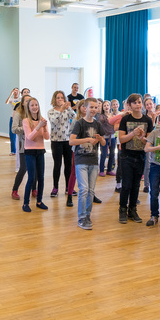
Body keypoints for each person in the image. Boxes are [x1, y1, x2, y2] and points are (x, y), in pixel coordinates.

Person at [70, 97, 106, 229]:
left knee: (91, 190)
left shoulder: (98, 124)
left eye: (96, 107)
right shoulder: (79, 123)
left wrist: (100, 139)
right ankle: (81, 217)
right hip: (81, 160)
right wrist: (87, 139)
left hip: (93, 161)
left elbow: (103, 143)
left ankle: (87, 215)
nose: (94, 109)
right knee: (84, 189)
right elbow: (71, 141)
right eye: (91, 107)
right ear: (85, 108)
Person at [118, 93, 154, 224]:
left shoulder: (147, 120)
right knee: (126, 185)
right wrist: (132, 133)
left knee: (136, 185)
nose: (138, 105)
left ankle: (132, 210)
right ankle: (122, 209)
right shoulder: (125, 119)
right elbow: (121, 139)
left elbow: (149, 142)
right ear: (129, 105)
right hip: (126, 156)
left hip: (140, 156)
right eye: (135, 102)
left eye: (139, 102)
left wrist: (142, 138)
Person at [22, 97, 50, 212]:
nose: (35, 107)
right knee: (31, 178)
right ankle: (25, 203)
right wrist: (38, 126)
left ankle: (39, 201)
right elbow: (30, 137)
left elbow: (47, 137)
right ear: (29, 108)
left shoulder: (42, 120)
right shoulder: (26, 121)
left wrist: (44, 128)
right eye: (32, 105)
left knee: (41, 177)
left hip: (40, 150)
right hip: (30, 151)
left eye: (36, 105)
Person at [47, 91, 76, 200]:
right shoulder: (51, 111)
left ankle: (68, 187)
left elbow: (75, 117)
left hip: (67, 141)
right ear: (54, 99)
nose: (60, 100)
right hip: (56, 141)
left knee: (68, 165)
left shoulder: (67, 110)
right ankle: (55, 187)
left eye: (62, 98)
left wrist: (68, 108)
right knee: (57, 165)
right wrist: (61, 110)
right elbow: (54, 122)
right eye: (58, 98)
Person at [10, 95, 30, 201]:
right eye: (27, 101)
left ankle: (34, 189)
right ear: (22, 103)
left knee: (35, 169)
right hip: (23, 145)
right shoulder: (18, 114)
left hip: (35, 145)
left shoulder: (35, 114)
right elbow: (14, 129)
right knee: (23, 168)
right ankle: (15, 190)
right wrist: (26, 128)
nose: (29, 102)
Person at [98, 99, 117, 177]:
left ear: (110, 107)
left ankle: (109, 170)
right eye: (104, 105)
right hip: (104, 137)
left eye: (107, 105)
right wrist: (108, 119)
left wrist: (113, 118)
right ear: (102, 107)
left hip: (112, 137)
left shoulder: (113, 115)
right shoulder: (101, 116)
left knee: (112, 154)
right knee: (104, 154)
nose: (106, 107)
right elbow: (102, 121)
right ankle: (101, 170)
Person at [6, 88, 20, 156]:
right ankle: (13, 151)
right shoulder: (11, 99)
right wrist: (11, 94)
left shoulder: (21, 99)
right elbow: (6, 102)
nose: (15, 92)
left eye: (17, 91)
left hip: (20, 118)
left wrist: (21, 93)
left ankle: (20, 150)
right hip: (12, 117)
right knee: (12, 134)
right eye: (14, 91)